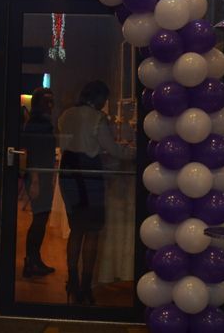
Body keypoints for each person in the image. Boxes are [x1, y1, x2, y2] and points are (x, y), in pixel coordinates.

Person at [57, 80, 134, 305]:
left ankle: (72, 281)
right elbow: (113, 149)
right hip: (88, 175)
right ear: (99, 98)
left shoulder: (66, 115)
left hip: (68, 172)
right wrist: (135, 152)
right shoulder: (98, 118)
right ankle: (85, 285)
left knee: (76, 230)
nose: (106, 103)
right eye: (105, 99)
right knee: (92, 231)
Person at [21, 88, 56, 278]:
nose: (50, 105)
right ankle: (31, 261)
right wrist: (35, 180)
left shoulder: (41, 122)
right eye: (46, 101)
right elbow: (33, 153)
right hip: (38, 176)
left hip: (43, 175)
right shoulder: (37, 123)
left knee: (41, 218)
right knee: (39, 218)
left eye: (51, 101)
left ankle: (34, 259)